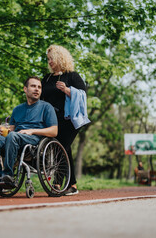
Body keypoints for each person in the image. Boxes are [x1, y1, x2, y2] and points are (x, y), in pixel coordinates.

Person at [0, 76, 58, 184]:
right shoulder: (18, 109)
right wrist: (5, 131)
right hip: (16, 138)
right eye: (33, 86)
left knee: (13, 136)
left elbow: (54, 131)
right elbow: (12, 130)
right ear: (25, 89)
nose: (37, 89)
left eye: (39, 87)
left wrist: (32, 131)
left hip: (35, 139)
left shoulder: (46, 107)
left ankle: (8, 175)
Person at [41, 44, 89, 196]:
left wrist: (67, 90)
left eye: (52, 58)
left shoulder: (72, 75)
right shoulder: (47, 78)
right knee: (63, 149)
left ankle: (57, 183)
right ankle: (72, 185)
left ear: (60, 58)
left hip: (69, 119)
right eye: (48, 59)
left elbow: (83, 94)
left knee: (61, 147)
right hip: (52, 120)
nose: (49, 62)